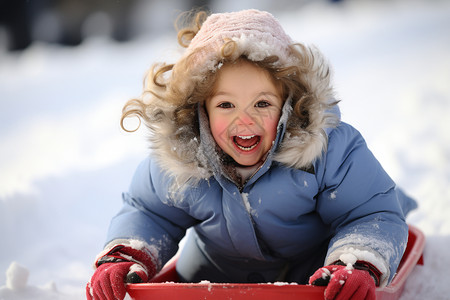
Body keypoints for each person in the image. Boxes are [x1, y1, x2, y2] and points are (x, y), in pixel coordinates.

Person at [86, 9, 417, 300]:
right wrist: (125, 254)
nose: (244, 120)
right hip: (211, 277)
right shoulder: (181, 162)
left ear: (290, 104)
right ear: (199, 110)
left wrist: (354, 262)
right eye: (226, 105)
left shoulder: (328, 150)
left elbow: (367, 212)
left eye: (262, 103)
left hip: (313, 276)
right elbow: (150, 212)